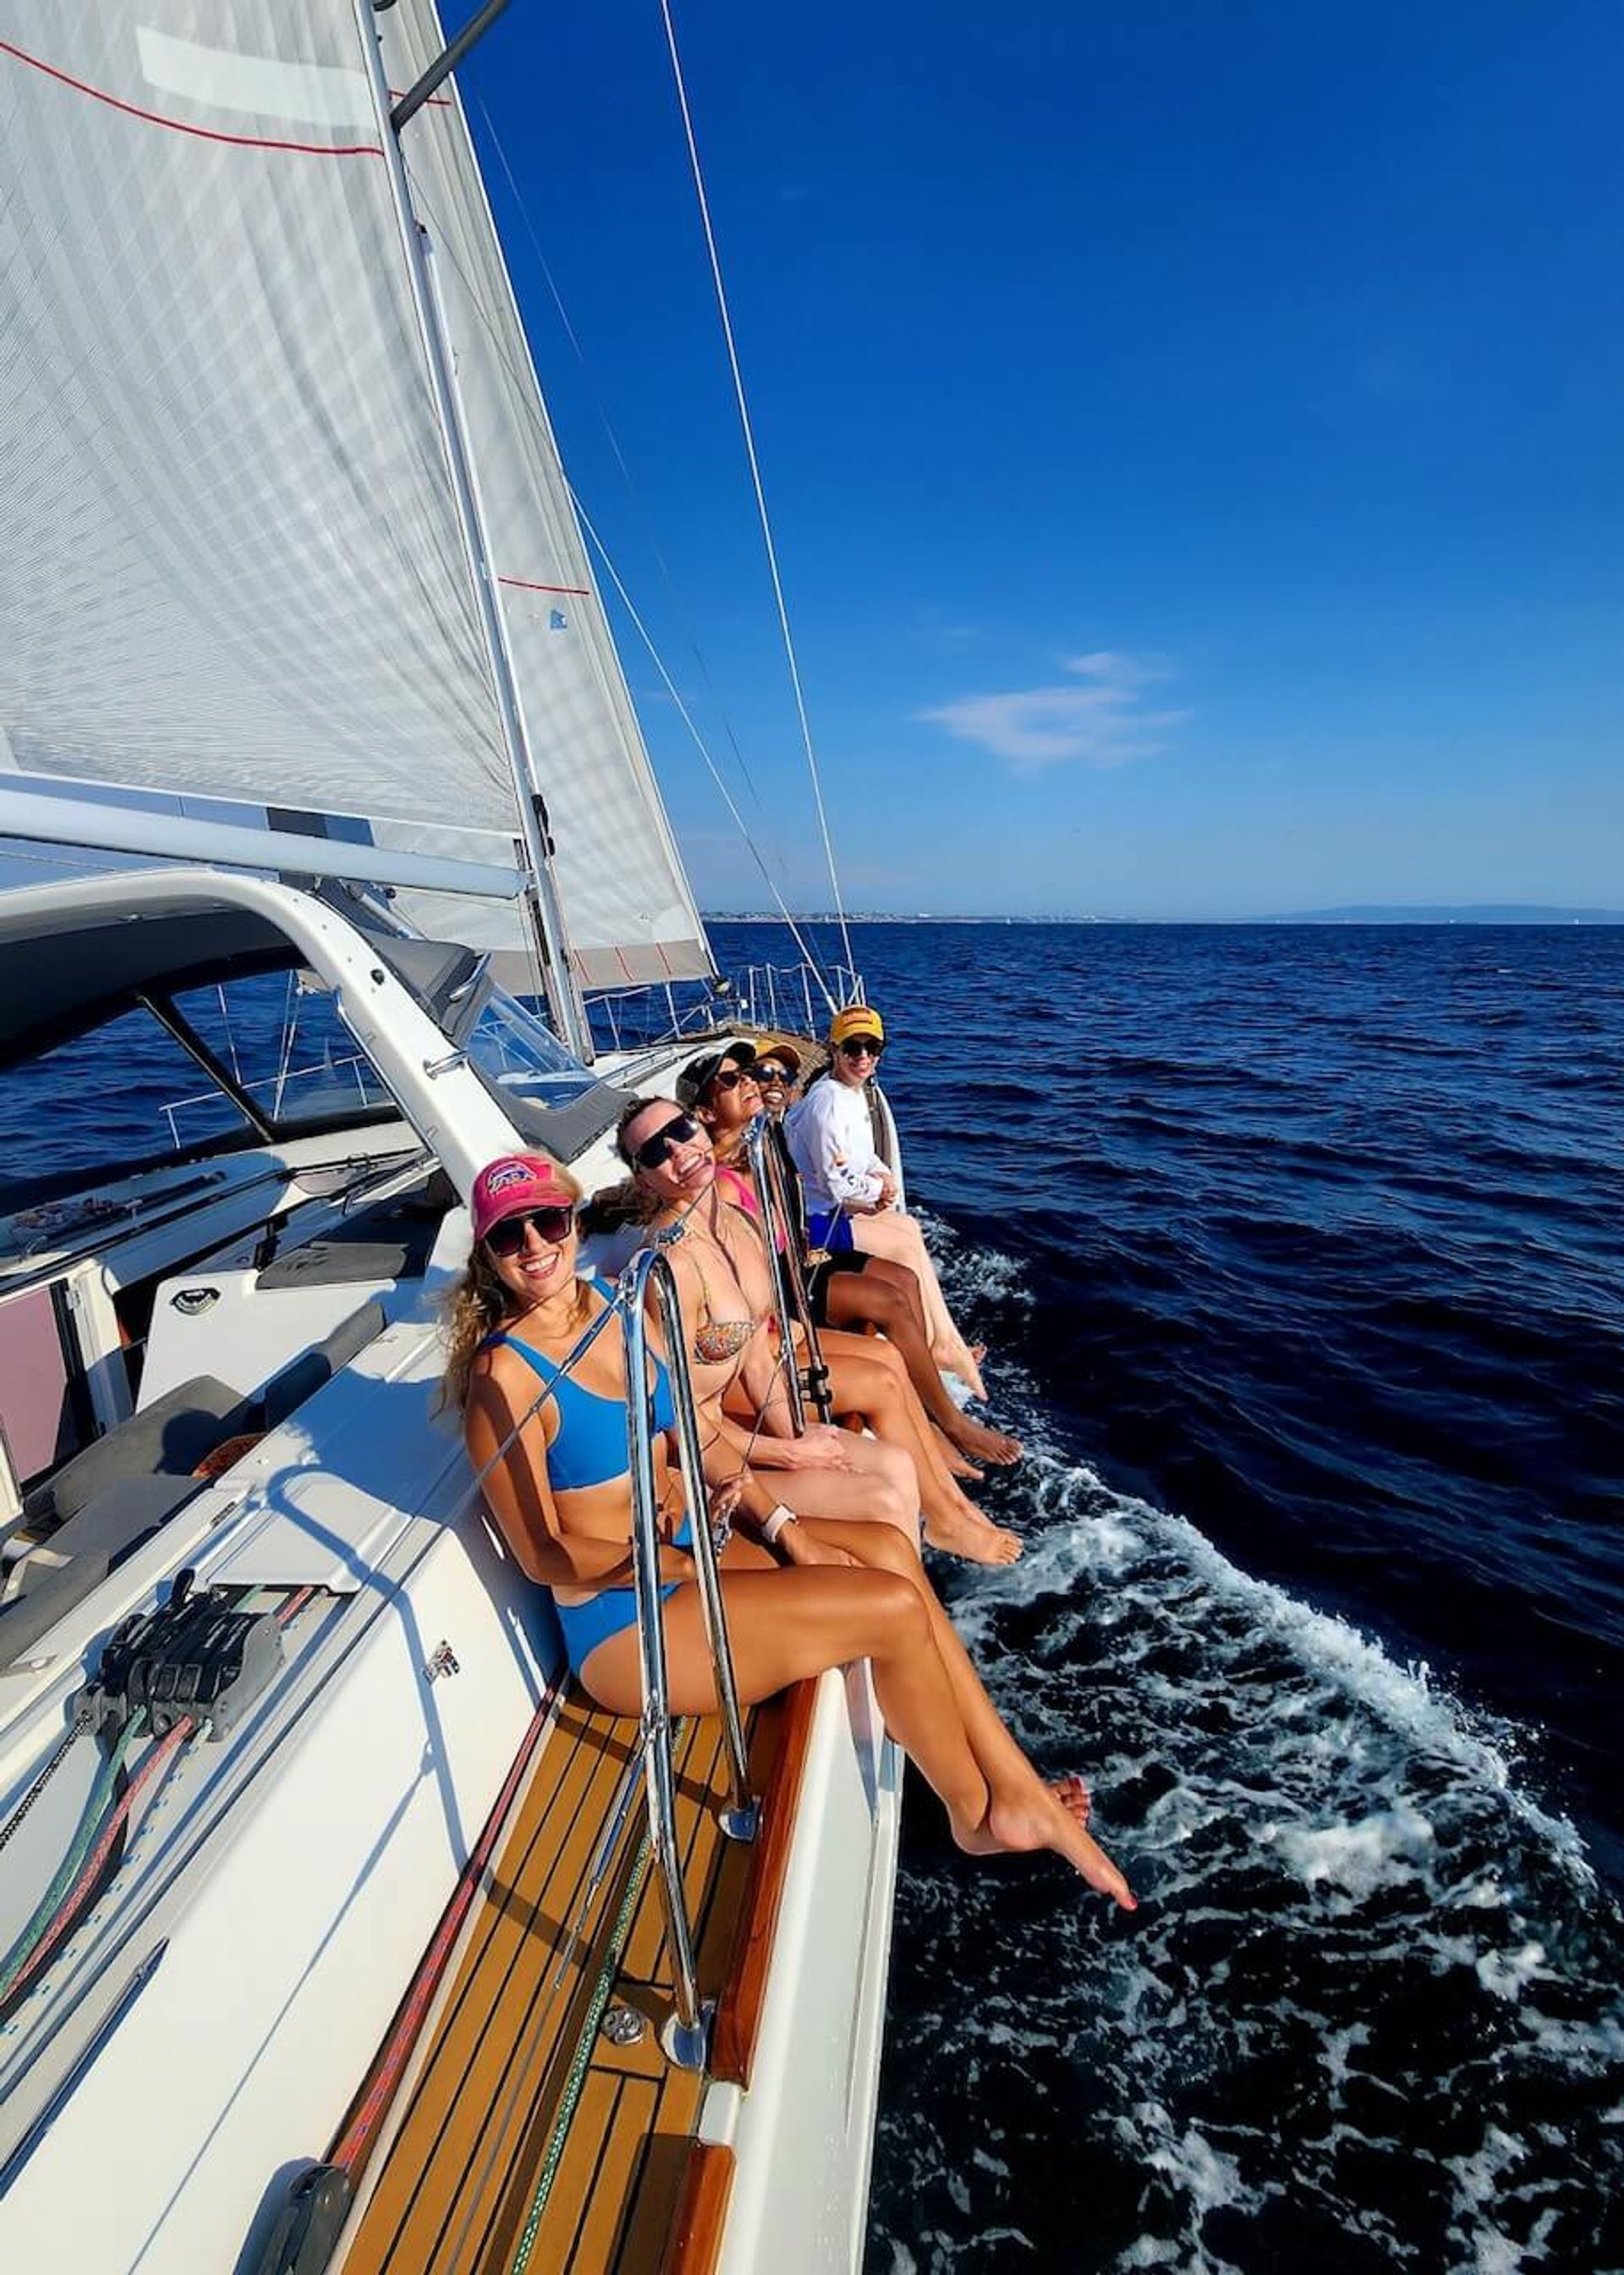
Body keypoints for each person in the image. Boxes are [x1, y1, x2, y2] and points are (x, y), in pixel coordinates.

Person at [447, 1151, 1135, 1908]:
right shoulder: (504, 1378)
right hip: (625, 1627)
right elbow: (545, 1556)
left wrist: (783, 1527)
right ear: (488, 1254)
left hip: (688, 1556)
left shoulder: (615, 1307)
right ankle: (974, 1815)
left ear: (573, 1222)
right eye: (509, 1235)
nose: (534, 1245)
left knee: (887, 1548)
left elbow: (697, 1442)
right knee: (892, 1610)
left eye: (547, 1221)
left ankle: (1014, 1785)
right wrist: (678, 1565)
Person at [616, 1097, 1021, 1564]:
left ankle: (922, 1550)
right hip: (703, 1458)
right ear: (643, 1178)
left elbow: (757, 1362)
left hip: (745, 1430)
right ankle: (892, 1588)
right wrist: (788, 1455)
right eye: (654, 1151)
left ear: (700, 1128)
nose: (677, 1149)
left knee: (896, 1465)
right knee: (882, 1498)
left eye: (682, 1129)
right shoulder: (669, 1269)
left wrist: (799, 1437)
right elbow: (677, 1418)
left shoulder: (737, 1223)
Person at [684, 1041, 1022, 1472]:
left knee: (903, 1279)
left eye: (761, 1074)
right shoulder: (725, 1176)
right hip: (787, 1287)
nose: (758, 1083)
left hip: (802, 1257)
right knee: (890, 1300)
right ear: (704, 1113)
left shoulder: (763, 1142)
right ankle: (951, 1423)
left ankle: (928, 1404)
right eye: (736, 1079)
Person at [787, 1004, 990, 1402]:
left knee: (909, 1228)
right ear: (834, 1049)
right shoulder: (829, 1103)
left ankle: (943, 1342)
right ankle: (936, 1348)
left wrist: (883, 1177)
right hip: (814, 1221)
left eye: (872, 1047)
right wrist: (878, 1192)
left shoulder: (850, 1092)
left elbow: (864, 1158)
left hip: (833, 1209)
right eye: (852, 1047)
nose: (863, 1056)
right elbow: (835, 1185)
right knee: (903, 1243)